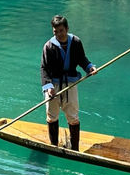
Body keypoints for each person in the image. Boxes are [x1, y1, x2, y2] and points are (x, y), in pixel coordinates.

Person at [40, 15, 96, 150]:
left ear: (67, 29)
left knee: (73, 116)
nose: (59, 34)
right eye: (55, 32)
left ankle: (75, 149)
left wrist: (90, 67)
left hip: (70, 84)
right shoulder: (49, 46)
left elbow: (82, 59)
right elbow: (44, 68)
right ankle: (54, 146)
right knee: (52, 116)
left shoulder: (76, 42)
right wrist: (48, 87)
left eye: (61, 30)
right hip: (53, 85)